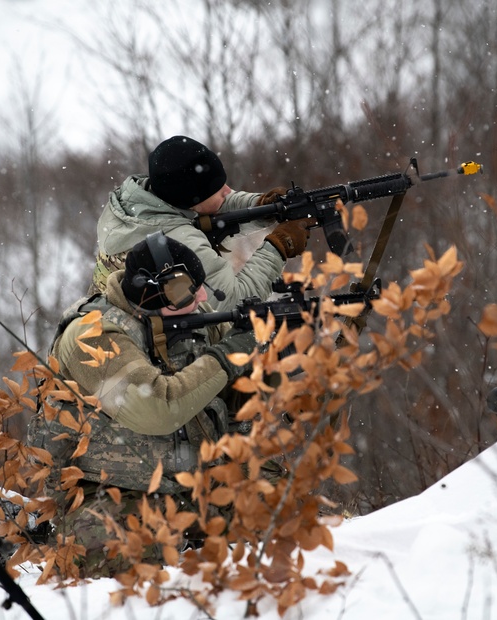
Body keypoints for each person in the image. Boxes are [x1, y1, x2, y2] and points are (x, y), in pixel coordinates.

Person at [28, 232, 259, 575]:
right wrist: (226, 357)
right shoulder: (91, 336)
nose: (203, 297)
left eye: (200, 285)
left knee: (276, 529)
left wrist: (267, 356)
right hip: (105, 493)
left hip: (191, 487)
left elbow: (232, 390)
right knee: (131, 568)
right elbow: (157, 410)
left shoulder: (183, 313)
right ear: (150, 292)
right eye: (188, 291)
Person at [91, 135, 312, 311]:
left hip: (103, 328)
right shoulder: (178, 240)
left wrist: (262, 206)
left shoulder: (135, 202)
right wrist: (279, 247)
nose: (228, 190)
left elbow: (216, 204)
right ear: (191, 201)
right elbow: (233, 302)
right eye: (218, 189)